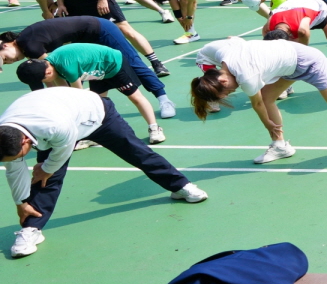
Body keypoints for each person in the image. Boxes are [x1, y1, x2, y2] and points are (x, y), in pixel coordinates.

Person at [3, 86, 206, 257]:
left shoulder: (55, 126)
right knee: (44, 180)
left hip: (96, 114)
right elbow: (14, 170)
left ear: (25, 141)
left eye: (19, 154)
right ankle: (31, 229)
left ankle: (181, 186)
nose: (19, 159)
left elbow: (63, 151)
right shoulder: (5, 136)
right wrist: (21, 202)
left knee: (137, 152)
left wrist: (46, 169)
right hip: (61, 114)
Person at [190, 35, 327, 168]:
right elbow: (231, 41)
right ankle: (280, 146)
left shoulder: (245, 76)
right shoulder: (222, 53)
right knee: (268, 99)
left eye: (230, 90)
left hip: (310, 61)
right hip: (286, 68)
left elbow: (256, 105)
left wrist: (268, 124)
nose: (235, 90)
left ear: (223, 80)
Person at [0, 15, 177, 118]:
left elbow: (53, 74)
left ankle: (164, 99)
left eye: (5, 59)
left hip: (100, 29)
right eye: (6, 64)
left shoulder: (29, 45)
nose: (9, 62)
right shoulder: (26, 44)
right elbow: (53, 76)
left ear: (6, 45)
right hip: (86, 39)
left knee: (132, 62)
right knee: (96, 81)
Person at [17, 41, 166, 144]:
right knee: (99, 104)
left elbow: (79, 98)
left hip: (113, 64)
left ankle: (154, 128)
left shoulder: (67, 68)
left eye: (44, 81)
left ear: (48, 72)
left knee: (135, 97)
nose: (46, 84)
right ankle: (92, 134)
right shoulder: (50, 66)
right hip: (94, 70)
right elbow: (63, 93)